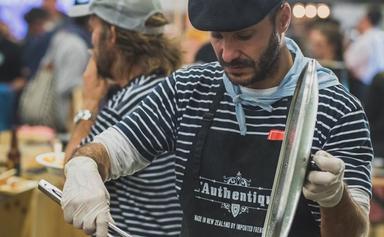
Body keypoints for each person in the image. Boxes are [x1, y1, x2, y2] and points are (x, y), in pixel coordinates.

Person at [62, 1, 373, 236]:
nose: (226, 53)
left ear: (282, 19)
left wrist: (335, 197)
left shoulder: (336, 108)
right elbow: (111, 148)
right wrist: (85, 166)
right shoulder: (187, 90)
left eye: (243, 36)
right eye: (217, 37)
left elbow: (354, 231)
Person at [63, 0, 183, 236]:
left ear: (113, 35)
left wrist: (88, 104)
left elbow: (71, 174)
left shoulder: (126, 104)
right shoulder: (167, 90)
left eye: (93, 30)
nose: (92, 42)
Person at [344, 6, 384, 103]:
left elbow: (349, 62)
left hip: (362, 85)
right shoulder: (381, 36)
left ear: (366, 20)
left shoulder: (364, 39)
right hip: (379, 82)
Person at [306, 18, 349, 89]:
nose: (312, 48)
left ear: (332, 46)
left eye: (318, 44)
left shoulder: (338, 71)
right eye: (311, 43)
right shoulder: (312, 66)